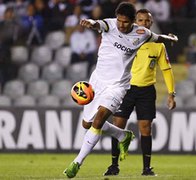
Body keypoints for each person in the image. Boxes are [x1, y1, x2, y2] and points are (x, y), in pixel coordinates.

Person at [63, 2, 178, 178]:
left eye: (125, 22)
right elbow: (97, 24)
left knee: (99, 119)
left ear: (133, 21)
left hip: (118, 86)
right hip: (97, 82)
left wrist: (170, 39)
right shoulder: (109, 25)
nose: (121, 25)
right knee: (87, 124)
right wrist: (90, 23)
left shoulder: (141, 33)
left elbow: (157, 37)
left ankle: (76, 163)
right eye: (119, 20)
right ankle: (122, 135)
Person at [103, 9, 176, 177]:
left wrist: (171, 93)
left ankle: (146, 168)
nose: (145, 23)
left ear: (151, 23)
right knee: (117, 126)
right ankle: (114, 166)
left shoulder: (158, 45)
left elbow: (166, 69)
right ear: (136, 22)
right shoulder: (125, 40)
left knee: (145, 128)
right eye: (141, 20)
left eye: (148, 21)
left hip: (146, 91)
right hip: (125, 88)